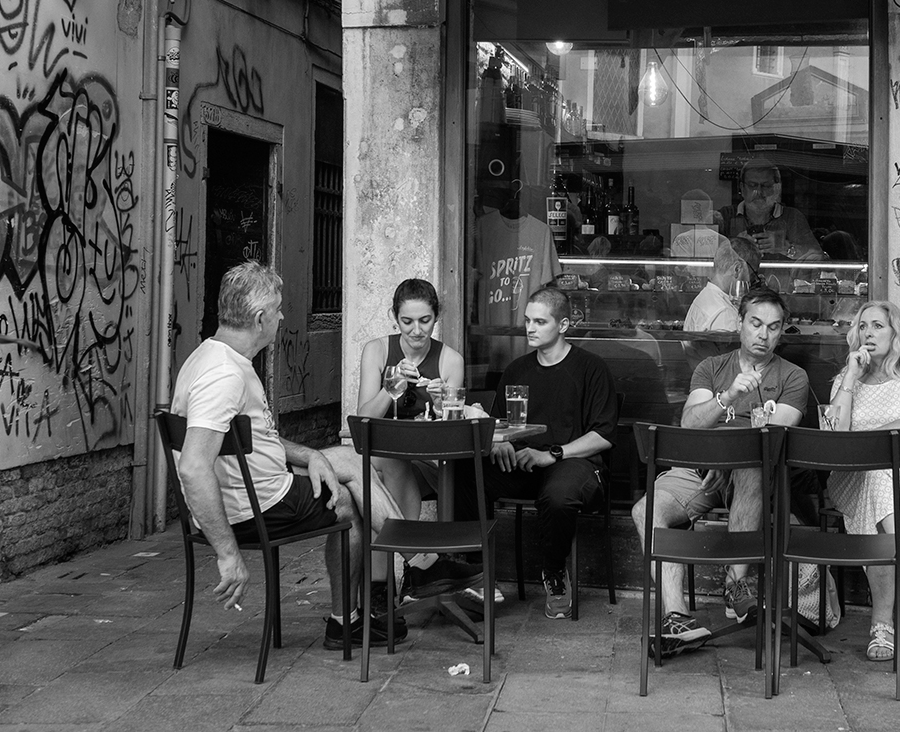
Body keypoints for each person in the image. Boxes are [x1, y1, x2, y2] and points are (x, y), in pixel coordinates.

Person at [171, 261, 414, 649]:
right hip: (256, 507)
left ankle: (416, 565)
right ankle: (394, 584)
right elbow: (193, 466)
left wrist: (311, 455)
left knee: (348, 461)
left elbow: (256, 438)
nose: (282, 317)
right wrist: (228, 554)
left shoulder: (213, 356)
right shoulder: (223, 375)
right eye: (278, 309)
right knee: (348, 503)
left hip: (259, 490)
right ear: (260, 318)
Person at [631, 287, 809, 657]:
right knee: (645, 511)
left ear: (782, 331)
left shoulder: (793, 377)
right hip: (702, 467)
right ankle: (677, 617)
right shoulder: (711, 368)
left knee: (752, 469)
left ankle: (734, 585)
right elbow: (690, 424)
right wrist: (727, 397)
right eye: (755, 323)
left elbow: (771, 443)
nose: (763, 334)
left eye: (773, 327)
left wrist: (725, 459)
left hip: (752, 472)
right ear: (739, 323)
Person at [455, 285, 618, 619]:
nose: (530, 328)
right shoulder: (517, 370)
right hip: (523, 462)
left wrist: (553, 454)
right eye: (528, 320)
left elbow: (603, 435)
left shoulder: (591, 368)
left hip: (574, 462)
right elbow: (499, 424)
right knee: (467, 473)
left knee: (558, 495)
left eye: (540, 322)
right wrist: (499, 442)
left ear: (563, 325)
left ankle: (554, 572)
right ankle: (477, 575)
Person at [823, 300, 900, 665]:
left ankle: (883, 626)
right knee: (878, 474)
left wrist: (860, 444)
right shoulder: (845, 382)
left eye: (877, 326)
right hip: (853, 477)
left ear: (896, 333)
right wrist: (850, 376)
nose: (868, 333)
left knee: (882, 476)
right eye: (862, 326)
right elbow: (834, 433)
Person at [355, 278, 489, 605]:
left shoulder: (450, 360)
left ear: (436, 317)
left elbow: (455, 434)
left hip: (433, 464)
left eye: (425, 320)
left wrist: (444, 403)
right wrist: (391, 387)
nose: (417, 330)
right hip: (390, 464)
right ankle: (417, 569)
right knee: (385, 468)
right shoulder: (377, 351)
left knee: (375, 483)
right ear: (394, 317)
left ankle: (380, 592)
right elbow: (363, 420)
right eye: (407, 321)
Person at [724, 159, 825, 261]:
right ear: (742, 188)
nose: (759, 192)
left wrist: (785, 247)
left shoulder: (792, 217)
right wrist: (736, 245)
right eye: (752, 185)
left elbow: (818, 258)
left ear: (777, 188)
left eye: (766, 186)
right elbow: (713, 256)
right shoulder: (725, 216)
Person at [684, 240, 753, 334]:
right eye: (753, 274)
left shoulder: (706, 296)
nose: (753, 281)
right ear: (737, 269)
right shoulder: (725, 314)